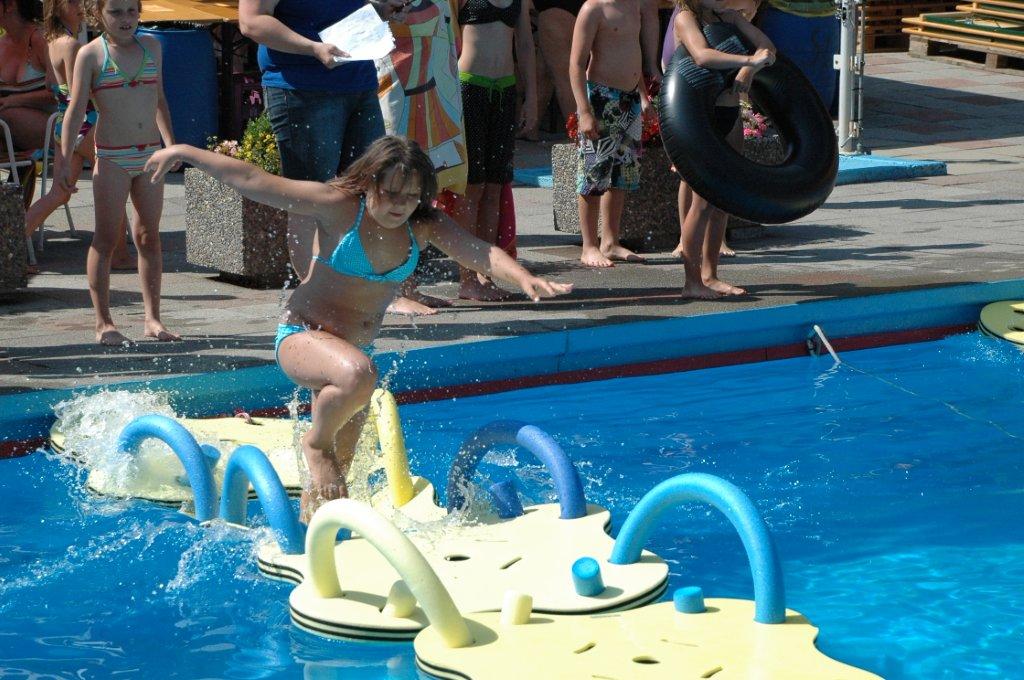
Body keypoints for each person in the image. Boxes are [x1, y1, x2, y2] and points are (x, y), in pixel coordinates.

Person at [144, 136, 574, 520]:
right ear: (369, 183)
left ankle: (308, 542)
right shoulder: (339, 207)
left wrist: (523, 276)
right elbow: (254, 180)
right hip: (301, 337)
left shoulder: (422, 225)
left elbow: (480, 252)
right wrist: (185, 152)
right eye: (391, 193)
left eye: (411, 195)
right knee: (356, 382)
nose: (400, 204)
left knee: (334, 484)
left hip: (350, 356)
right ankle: (314, 443)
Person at [57, 0, 178, 345]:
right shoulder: (91, 55)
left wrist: (170, 145)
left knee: (149, 237)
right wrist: (64, 160)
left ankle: (152, 318)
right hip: (112, 158)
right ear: (98, 14)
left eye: (131, 11)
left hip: (149, 154)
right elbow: (75, 111)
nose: (126, 19)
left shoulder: (152, 46)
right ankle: (103, 322)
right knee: (107, 239)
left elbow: (159, 99)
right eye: (116, 12)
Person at [671, 0, 773, 298]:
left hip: (730, 113)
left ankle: (711, 275)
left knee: (722, 201)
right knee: (702, 203)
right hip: (703, 116)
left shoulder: (728, 17)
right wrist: (748, 61)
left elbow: (768, 48)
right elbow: (702, 55)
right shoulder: (686, 18)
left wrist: (749, 71)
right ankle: (692, 282)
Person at [25, 0, 135, 271]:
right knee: (113, 184)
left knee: (59, 193)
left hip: (65, 124)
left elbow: (55, 87)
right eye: (72, 1)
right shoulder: (73, 46)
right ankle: (120, 255)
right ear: (57, 7)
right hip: (86, 123)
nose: (80, 5)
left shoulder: (52, 42)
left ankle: (9, 243)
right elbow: (82, 94)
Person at [377, 0, 467, 315]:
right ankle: (397, 288)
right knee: (396, 182)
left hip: (433, 87)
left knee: (421, 187)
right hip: (397, 87)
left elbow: (451, 38)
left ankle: (409, 284)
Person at [453, 0, 537, 300]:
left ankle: (484, 274)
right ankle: (467, 276)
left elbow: (525, 45)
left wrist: (532, 97)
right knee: (472, 187)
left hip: (505, 89)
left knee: (494, 187)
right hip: (469, 87)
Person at [570, 0, 652, 268]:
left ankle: (610, 240)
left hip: (629, 99)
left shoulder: (633, 6)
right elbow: (576, 64)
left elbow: (633, 53)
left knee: (622, 174)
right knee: (594, 174)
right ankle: (589, 245)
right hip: (602, 98)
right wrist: (584, 111)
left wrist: (643, 95)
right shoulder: (593, 9)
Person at [0, 0, 55, 207]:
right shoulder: (2, 44)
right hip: (11, 130)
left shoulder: (41, 40)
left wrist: (15, 100)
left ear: (10, 5)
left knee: (6, 116)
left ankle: (20, 171)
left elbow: (62, 93)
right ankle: (11, 205)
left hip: (55, 126)